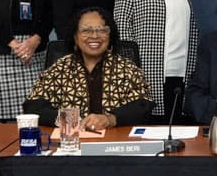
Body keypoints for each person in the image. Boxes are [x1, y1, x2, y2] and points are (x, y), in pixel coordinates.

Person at [24, 7, 152, 128]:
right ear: (75, 37)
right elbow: (33, 107)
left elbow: (143, 106)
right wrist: (69, 119)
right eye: (86, 30)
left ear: (110, 36)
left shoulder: (127, 69)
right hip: (71, 142)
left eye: (102, 30)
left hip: (114, 141)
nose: (95, 36)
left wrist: (110, 120)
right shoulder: (59, 69)